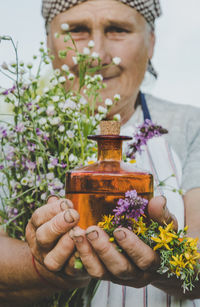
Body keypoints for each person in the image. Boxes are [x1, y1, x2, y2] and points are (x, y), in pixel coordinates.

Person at [1, 0, 200, 306]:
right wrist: (43, 267)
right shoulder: (14, 133)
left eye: (118, 29)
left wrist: (164, 266)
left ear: (151, 42)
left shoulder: (190, 126)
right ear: (48, 43)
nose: (98, 55)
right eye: (77, 30)